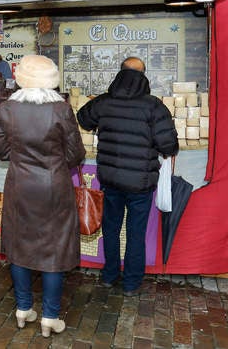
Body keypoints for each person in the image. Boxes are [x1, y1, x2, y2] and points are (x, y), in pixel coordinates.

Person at [0, 55, 85, 338]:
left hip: (20, 186)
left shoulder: (8, 108)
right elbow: (76, 154)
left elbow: (1, 152)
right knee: (53, 250)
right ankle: (50, 317)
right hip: (54, 188)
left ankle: (23, 309)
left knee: (19, 246)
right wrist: (53, 163)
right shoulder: (61, 109)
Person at [76, 57, 178, 297]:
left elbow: (82, 118)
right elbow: (169, 146)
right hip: (140, 183)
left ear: (120, 73)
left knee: (111, 229)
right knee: (136, 233)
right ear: (144, 76)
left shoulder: (104, 101)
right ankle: (131, 283)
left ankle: (109, 275)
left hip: (110, 180)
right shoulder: (153, 106)